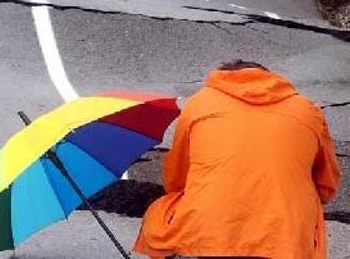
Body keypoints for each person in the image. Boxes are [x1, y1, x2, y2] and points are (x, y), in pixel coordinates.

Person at [134, 60, 341, 259]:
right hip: (286, 234)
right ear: (270, 79)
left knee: (160, 212)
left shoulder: (200, 102)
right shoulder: (307, 110)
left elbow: (176, 178)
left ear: (223, 76)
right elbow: (327, 184)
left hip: (208, 228)